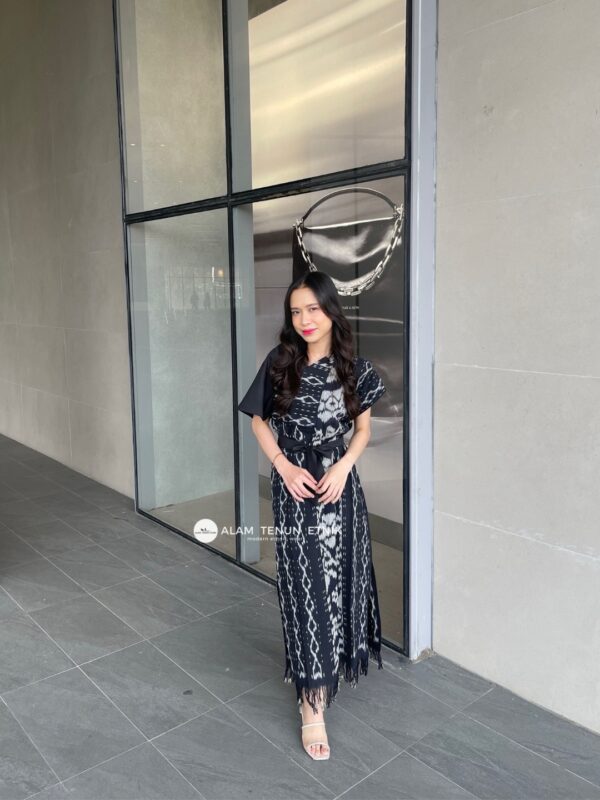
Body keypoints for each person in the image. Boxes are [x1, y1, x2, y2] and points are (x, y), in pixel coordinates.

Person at [237, 270, 386, 761]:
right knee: (304, 589)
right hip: (294, 488)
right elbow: (258, 421)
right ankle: (312, 702)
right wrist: (282, 465)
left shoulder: (356, 370)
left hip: (339, 489)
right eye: (296, 311)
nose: (304, 319)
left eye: (313, 309)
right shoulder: (280, 363)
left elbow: (362, 431)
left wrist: (343, 467)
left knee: (339, 582)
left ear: (331, 311)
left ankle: (330, 667)